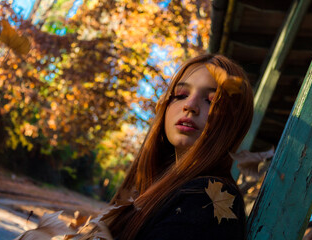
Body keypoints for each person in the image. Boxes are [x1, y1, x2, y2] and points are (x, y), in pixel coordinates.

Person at [101, 54, 254, 240]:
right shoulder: (153, 188)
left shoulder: (208, 196)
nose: (190, 106)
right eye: (181, 95)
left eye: (212, 100)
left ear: (234, 122)